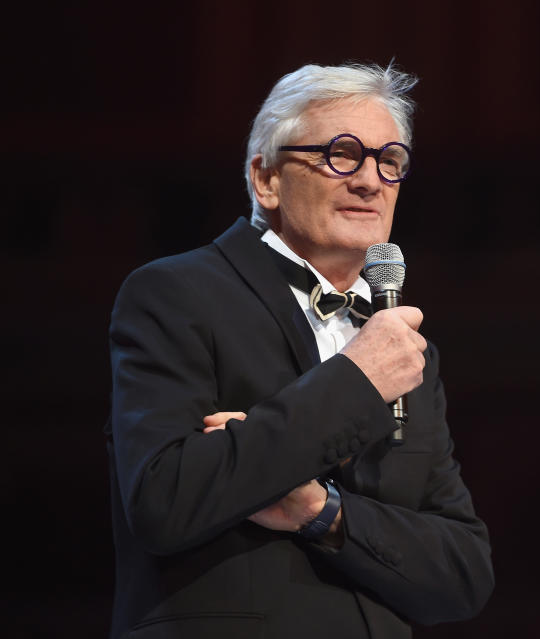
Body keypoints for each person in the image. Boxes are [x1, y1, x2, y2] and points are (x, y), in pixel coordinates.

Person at [106, 62, 494, 639]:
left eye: (389, 160)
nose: (370, 180)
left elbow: (463, 575)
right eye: (342, 152)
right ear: (267, 180)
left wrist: (320, 512)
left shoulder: (408, 352)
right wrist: (357, 380)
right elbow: (165, 499)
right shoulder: (175, 293)